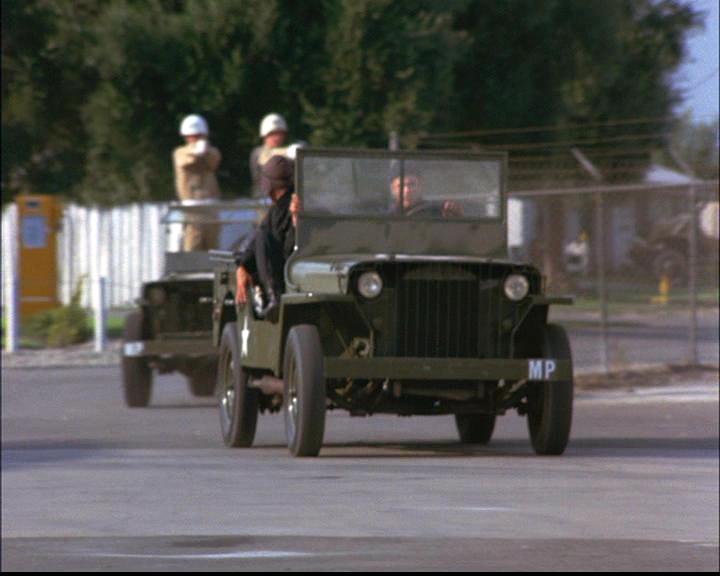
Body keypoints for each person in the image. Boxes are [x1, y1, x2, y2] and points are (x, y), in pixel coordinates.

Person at [235, 155, 299, 318]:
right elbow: (256, 239)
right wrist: (241, 265)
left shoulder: (293, 205)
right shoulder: (278, 209)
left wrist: (297, 219)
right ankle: (271, 295)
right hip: (289, 268)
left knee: (262, 235)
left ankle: (273, 295)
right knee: (262, 235)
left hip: (291, 267)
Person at [173, 114, 222, 251]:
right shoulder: (180, 152)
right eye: (191, 136)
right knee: (193, 243)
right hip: (191, 208)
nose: (194, 139)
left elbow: (214, 161)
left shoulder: (211, 152)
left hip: (210, 206)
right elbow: (185, 162)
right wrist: (196, 153)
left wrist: (204, 152)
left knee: (213, 246)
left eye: (198, 136)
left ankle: (214, 272)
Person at [390, 169, 462, 217]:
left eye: (412, 184)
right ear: (393, 189)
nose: (407, 190)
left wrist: (455, 214)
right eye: (401, 186)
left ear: (421, 186)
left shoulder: (437, 211)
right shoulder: (387, 216)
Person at [249, 113, 288, 198]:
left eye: (280, 133)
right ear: (265, 134)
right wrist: (288, 152)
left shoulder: (285, 155)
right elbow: (266, 159)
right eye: (273, 134)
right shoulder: (258, 152)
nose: (277, 137)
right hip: (263, 199)